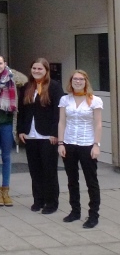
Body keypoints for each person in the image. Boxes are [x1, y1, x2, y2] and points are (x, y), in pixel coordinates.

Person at [18, 58, 63, 214]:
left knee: (49, 170)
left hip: (47, 136)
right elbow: (22, 111)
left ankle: (51, 202)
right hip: (30, 135)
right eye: (34, 68)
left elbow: (58, 112)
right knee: (35, 170)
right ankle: (38, 200)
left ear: (46, 71)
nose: (36, 71)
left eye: (40, 69)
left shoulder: (55, 87)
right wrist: (21, 130)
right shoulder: (27, 87)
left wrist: (55, 133)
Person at [58, 70, 103, 229]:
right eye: (75, 79)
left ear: (86, 81)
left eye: (81, 79)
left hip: (87, 144)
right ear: (71, 82)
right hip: (69, 143)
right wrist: (61, 143)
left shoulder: (94, 100)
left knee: (91, 181)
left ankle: (93, 215)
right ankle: (75, 211)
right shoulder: (65, 99)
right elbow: (62, 122)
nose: (78, 81)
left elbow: (98, 123)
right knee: (72, 180)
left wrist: (96, 145)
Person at [0, 54, 26, 207]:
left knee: (7, 157)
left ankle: (5, 190)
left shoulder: (12, 78)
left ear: (5, 63)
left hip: (8, 123)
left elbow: (24, 79)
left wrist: (9, 71)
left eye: (0, 63)